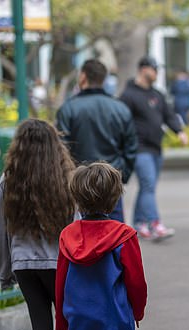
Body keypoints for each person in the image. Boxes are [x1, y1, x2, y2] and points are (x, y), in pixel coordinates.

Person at [55, 162, 148, 330]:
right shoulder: (124, 235)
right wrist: (137, 312)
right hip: (115, 321)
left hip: (81, 321)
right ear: (114, 196)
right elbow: (136, 282)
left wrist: (62, 325)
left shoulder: (67, 236)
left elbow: (60, 284)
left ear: (78, 197)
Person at [0, 119, 75, 330]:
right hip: (59, 264)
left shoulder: (8, 180)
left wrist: (4, 273)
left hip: (24, 265)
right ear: (55, 146)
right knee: (70, 323)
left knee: (41, 327)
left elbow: (0, 231)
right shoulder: (66, 177)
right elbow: (76, 226)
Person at [56, 59, 138, 223]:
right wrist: (121, 176)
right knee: (115, 236)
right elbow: (131, 146)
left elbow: (61, 148)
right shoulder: (120, 108)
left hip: (79, 184)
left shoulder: (69, 108)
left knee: (80, 238)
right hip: (110, 181)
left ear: (83, 76)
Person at [120, 56, 188, 240]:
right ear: (143, 69)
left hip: (155, 148)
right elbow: (122, 121)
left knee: (146, 187)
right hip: (139, 148)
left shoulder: (156, 94)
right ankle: (154, 222)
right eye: (154, 69)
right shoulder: (128, 95)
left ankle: (139, 224)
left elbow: (169, 115)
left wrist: (179, 131)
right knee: (148, 184)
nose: (157, 73)